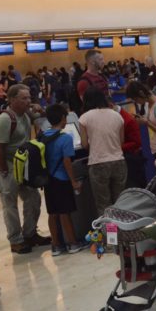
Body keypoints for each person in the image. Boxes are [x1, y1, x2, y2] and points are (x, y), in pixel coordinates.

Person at [0, 85, 50, 254]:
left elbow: (44, 117)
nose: (28, 101)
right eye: (24, 98)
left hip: (22, 163)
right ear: (11, 100)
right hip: (6, 164)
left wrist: (40, 108)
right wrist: (3, 171)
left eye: (29, 98)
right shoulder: (4, 119)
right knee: (10, 204)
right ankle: (16, 240)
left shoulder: (25, 114)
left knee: (33, 198)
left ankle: (30, 233)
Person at [41, 104, 89, 256]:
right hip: (61, 179)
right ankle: (73, 243)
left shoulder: (42, 135)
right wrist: (74, 181)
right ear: (63, 118)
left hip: (48, 180)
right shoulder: (65, 137)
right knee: (65, 212)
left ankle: (55, 245)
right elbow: (67, 162)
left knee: (52, 213)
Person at [79, 87, 127, 215]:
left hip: (98, 163)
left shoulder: (84, 118)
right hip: (119, 161)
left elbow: (84, 145)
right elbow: (121, 141)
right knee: (120, 203)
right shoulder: (117, 115)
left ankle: (110, 234)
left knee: (104, 205)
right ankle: (123, 231)